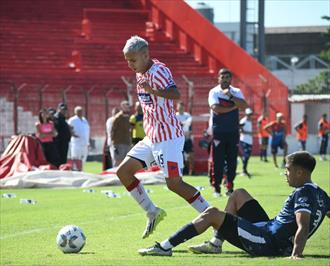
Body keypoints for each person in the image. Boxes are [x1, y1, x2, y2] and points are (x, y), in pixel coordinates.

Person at [138, 151, 330, 259]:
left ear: (300, 173)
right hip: (268, 229)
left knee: (212, 214)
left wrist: (296, 255)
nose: (285, 174)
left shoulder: (303, 192)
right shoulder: (321, 193)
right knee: (239, 194)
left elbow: (303, 226)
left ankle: (164, 247)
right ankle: (216, 243)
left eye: (288, 170)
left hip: (269, 243)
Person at [119, 35, 210, 239]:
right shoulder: (140, 72)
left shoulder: (159, 71)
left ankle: (214, 218)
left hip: (168, 137)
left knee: (174, 184)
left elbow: (176, 94)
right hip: (152, 137)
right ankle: (152, 212)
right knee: (123, 172)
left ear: (145, 55)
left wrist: (154, 90)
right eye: (127, 61)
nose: (130, 65)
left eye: (132, 60)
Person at [208, 68, 248, 196]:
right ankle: (216, 187)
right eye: (222, 77)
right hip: (218, 132)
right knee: (217, 161)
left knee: (232, 161)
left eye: (227, 77)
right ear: (218, 78)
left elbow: (244, 106)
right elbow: (216, 109)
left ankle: (229, 186)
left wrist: (231, 96)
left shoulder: (236, 91)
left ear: (231, 79)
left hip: (233, 132)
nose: (225, 80)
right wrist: (234, 106)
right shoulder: (214, 92)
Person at [68, 106, 90, 171]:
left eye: (81, 111)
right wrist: (73, 134)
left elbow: (87, 131)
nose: (80, 113)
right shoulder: (72, 120)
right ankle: (75, 172)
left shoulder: (84, 120)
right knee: (76, 159)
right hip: (76, 143)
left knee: (83, 160)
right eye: (79, 111)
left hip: (85, 143)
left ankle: (82, 171)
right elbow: (68, 129)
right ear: (75, 112)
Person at [110, 101, 132, 167]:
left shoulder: (129, 117)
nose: (128, 107)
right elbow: (113, 130)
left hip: (127, 142)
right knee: (118, 161)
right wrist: (113, 143)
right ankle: (114, 175)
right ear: (122, 107)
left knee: (126, 161)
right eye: (126, 105)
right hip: (119, 143)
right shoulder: (118, 117)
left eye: (128, 105)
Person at [176, 102, 194, 175]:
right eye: (180, 107)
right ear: (177, 107)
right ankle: (180, 172)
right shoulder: (175, 116)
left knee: (191, 156)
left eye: (182, 107)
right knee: (178, 157)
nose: (181, 108)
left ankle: (191, 172)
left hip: (186, 139)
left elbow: (189, 125)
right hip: (177, 140)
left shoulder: (187, 115)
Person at [239, 108, 253, 177]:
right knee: (246, 155)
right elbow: (241, 130)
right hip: (244, 140)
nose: (250, 115)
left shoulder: (250, 121)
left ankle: (245, 169)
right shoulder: (243, 121)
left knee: (248, 156)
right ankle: (244, 170)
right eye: (249, 114)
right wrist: (249, 133)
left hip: (249, 141)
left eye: (250, 114)